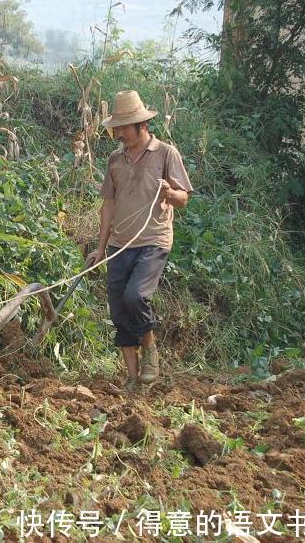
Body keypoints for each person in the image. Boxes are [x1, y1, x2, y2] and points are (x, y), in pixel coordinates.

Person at [86, 90, 193, 392]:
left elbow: (183, 198)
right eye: (116, 128)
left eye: (123, 127)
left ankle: (151, 350)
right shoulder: (115, 159)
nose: (118, 133)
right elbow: (108, 204)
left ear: (141, 125)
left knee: (135, 296)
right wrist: (100, 246)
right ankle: (134, 381)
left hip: (153, 239)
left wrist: (170, 194)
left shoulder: (165, 153)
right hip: (120, 243)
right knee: (119, 310)